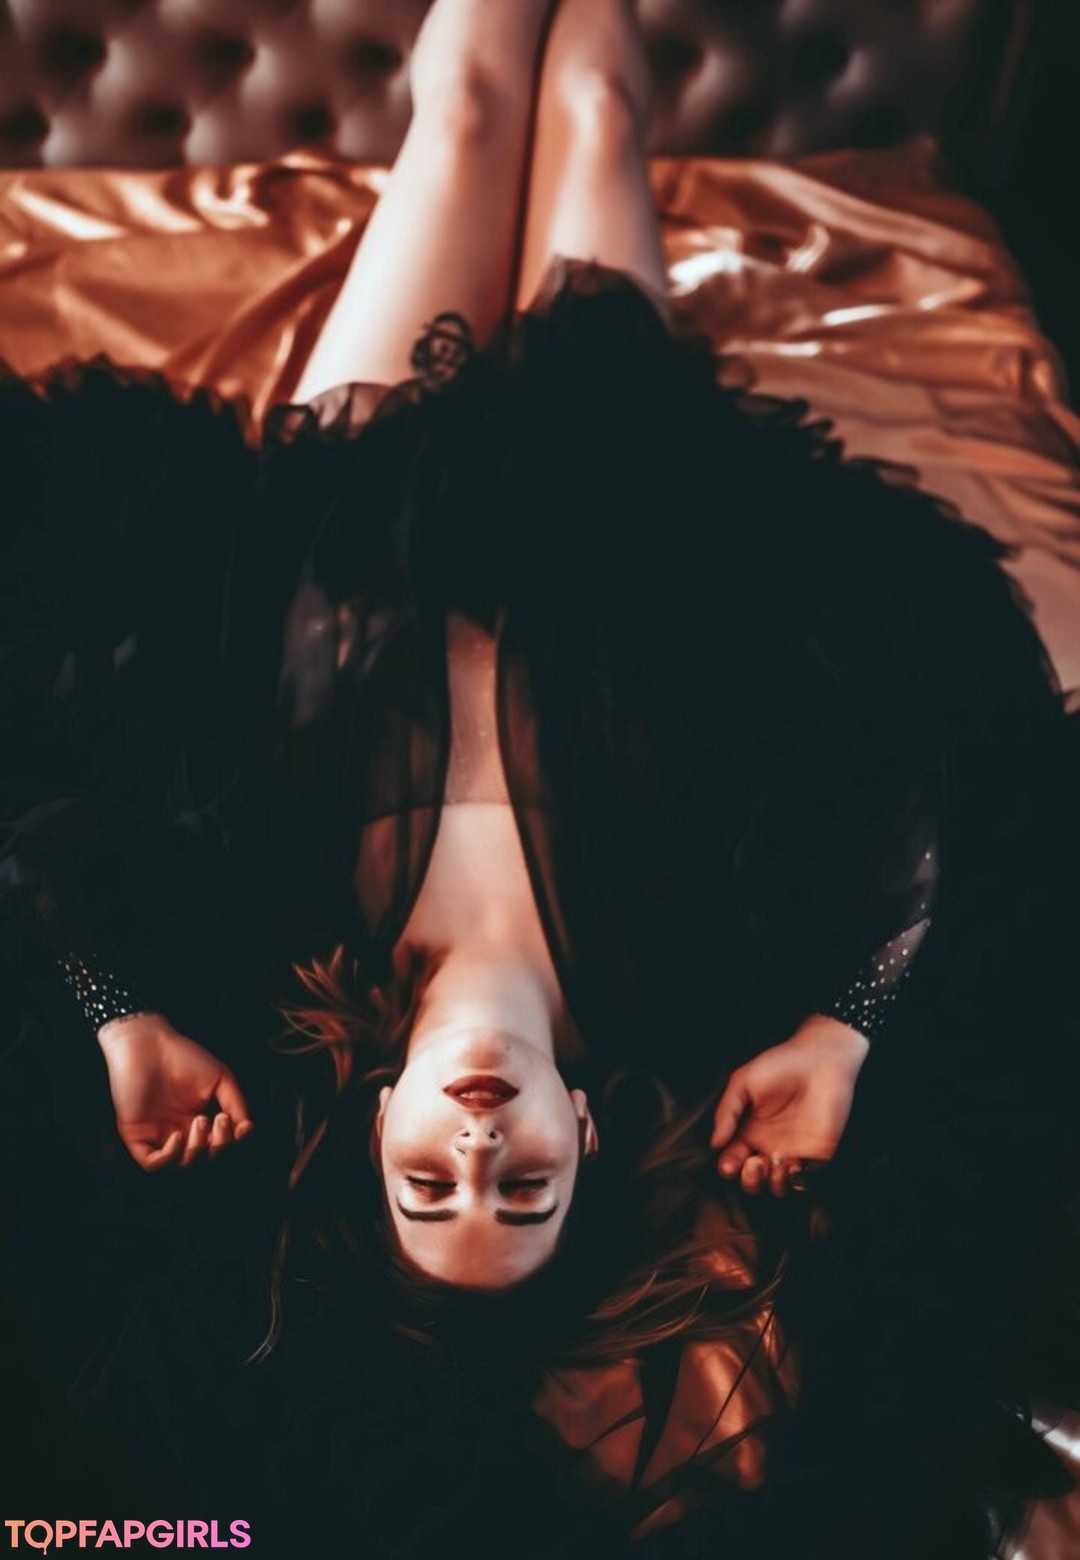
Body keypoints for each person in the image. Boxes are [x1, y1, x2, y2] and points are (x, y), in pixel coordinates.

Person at [3, 0, 1079, 1549]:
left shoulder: (281, 942)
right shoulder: (683, 966)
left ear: (378, 1123)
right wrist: (846, 1034)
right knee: (593, 98)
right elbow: (936, 783)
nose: (478, 1155)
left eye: (428, 1191)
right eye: (524, 1194)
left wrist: (119, 1021)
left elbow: (47, 826)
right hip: (614, 473)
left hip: (358, 484)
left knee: (458, 112)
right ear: (583, 1126)